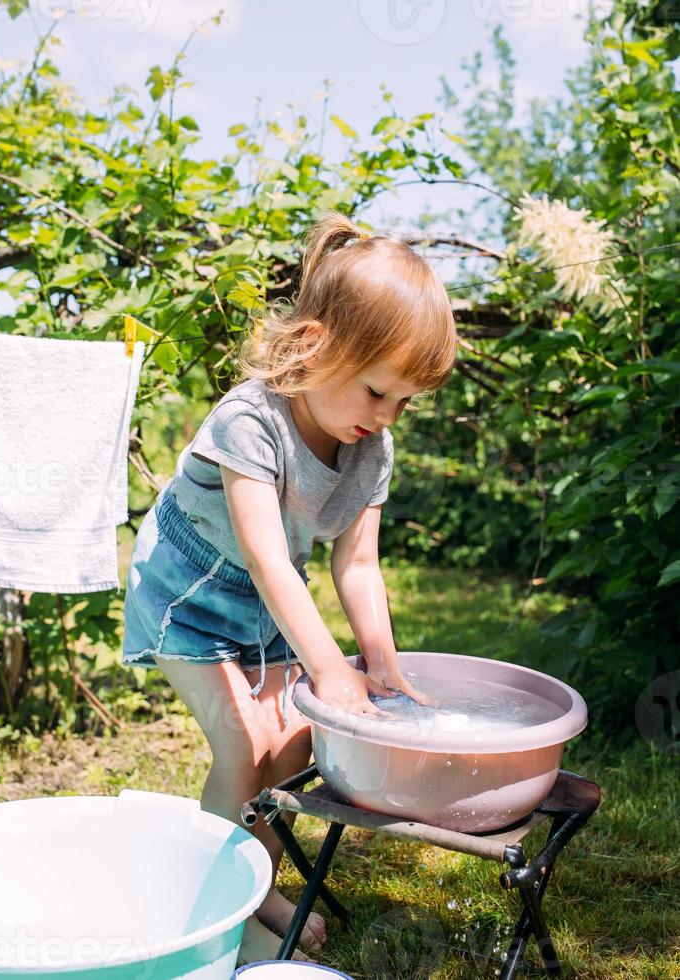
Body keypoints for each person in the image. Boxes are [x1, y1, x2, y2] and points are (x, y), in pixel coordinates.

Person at [121, 210, 457, 963]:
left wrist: (379, 662)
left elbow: (357, 565)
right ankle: (225, 925)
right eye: (377, 392)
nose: (387, 417)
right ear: (316, 346)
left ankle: (256, 881)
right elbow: (269, 558)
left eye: (404, 402)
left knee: (287, 748)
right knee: (241, 747)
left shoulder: (371, 448)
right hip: (190, 597)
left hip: (267, 604)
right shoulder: (250, 420)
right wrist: (328, 667)